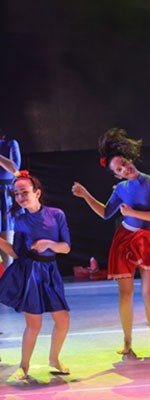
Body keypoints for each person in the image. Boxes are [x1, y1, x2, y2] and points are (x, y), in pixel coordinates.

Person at [72, 128, 150, 357]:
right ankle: (127, 341)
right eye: (119, 170)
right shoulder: (120, 189)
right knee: (125, 294)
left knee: (149, 293)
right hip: (126, 239)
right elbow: (106, 213)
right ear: (117, 176)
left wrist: (132, 212)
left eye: (124, 164)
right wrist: (86, 195)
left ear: (130, 159)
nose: (124, 169)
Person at [0, 171, 71, 380]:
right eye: (16, 194)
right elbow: (17, 253)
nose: (20, 197)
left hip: (50, 272)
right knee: (34, 324)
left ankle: (54, 358)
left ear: (37, 193)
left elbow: (66, 247)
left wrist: (48, 244)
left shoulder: (56, 214)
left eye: (24, 192)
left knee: (63, 319)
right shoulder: (18, 219)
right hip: (30, 273)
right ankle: (24, 366)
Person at [0, 130, 21, 268]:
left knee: (7, 253)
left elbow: (15, 170)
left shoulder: (10, 144)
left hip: (4, 197)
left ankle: (8, 275)